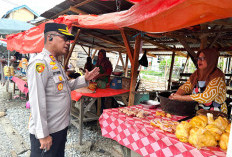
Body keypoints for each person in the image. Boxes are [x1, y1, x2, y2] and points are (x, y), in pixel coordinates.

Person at [27, 23, 99, 157]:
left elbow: (65, 87)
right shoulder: (40, 63)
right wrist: (43, 134)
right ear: (50, 38)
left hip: (60, 128)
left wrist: (85, 79)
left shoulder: (55, 63)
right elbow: (36, 100)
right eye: (64, 38)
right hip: (48, 132)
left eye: (69, 40)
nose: (68, 43)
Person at [169, 48, 227, 114]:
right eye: (198, 58)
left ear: (211, 60)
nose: (199, 61)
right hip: (199, 112)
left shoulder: (218, 77)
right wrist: (177, 95)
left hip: (216, 114)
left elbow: (207, 97)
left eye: (202, 58)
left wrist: (181, 98)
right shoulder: (196, 74)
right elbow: (186, 87)